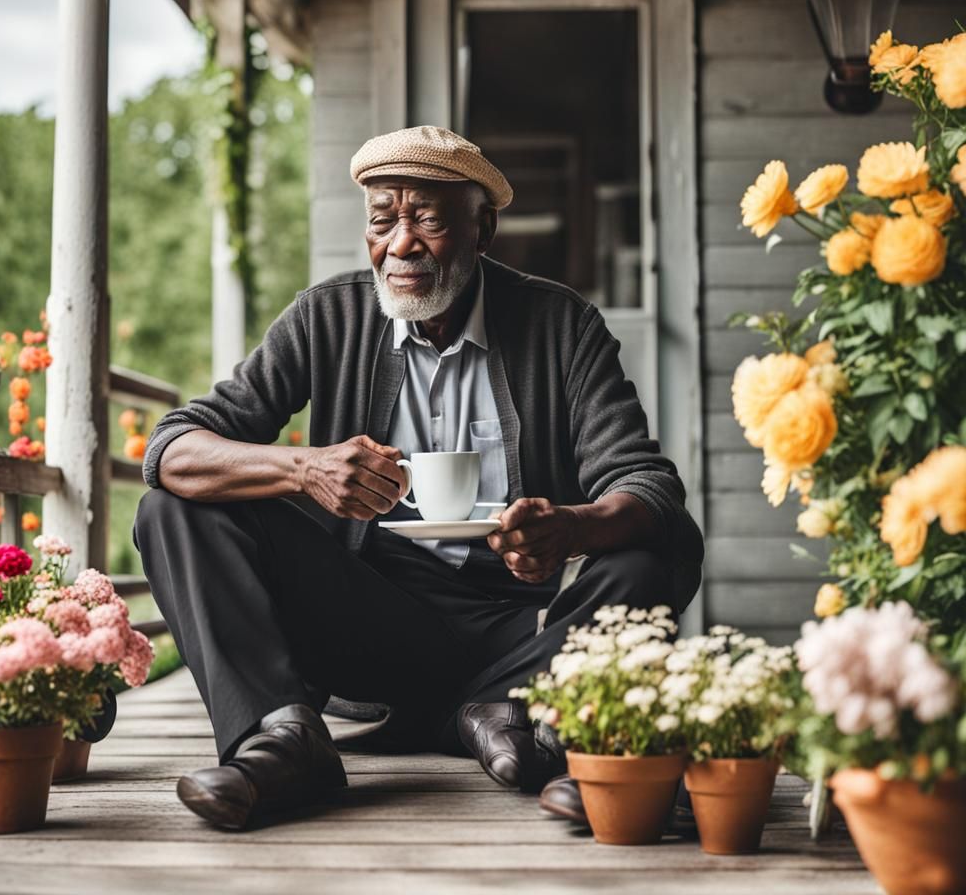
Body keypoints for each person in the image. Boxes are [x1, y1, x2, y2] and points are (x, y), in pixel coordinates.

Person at [132, 124, 704, 830]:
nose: (400, 244)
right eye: (383, 221)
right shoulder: (329, 316)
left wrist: (569, 527)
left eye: (428, 220)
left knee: (654, 553)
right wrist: (303, 468)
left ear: (482, 230)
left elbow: (646, 485)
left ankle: (485, 710)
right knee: (174, 508)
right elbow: (173, 447)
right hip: (370, 618)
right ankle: (284, 738)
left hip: (520, 626)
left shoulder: (561, 325)